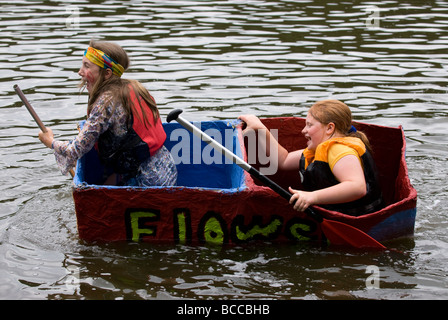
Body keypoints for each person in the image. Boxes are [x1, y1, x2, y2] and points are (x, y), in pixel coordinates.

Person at [38, 40, 177, 187]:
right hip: (165, 170)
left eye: (87, 66)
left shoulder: (106, 102)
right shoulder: (133, 87)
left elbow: (75, 150)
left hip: (147, 182)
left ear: (107, 74)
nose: (80, 72)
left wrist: (50, 142)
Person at [239, 99, 384, 216]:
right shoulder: (322, 148)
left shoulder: (339, 149)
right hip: (338, 214)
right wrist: (260, 127)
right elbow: (284, 160)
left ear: (330, 128)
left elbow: (357, 187)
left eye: (309, 125)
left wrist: (312, 197)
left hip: (357, 219)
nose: (303, 131)